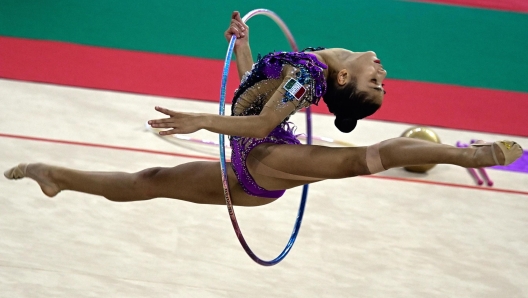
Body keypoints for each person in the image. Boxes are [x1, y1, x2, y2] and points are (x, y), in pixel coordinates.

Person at [4, 11, 523, 207]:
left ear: (343, 78)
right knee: (151, 179)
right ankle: (55, 175)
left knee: (362, 157)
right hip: (253, 151)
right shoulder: (310, 63)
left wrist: (203, 119)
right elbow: (253, 91)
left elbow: (260, 120)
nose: (383, 75)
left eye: (375, 84)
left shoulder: (309, 78)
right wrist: (246, 46)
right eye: (381, 83)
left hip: (263, 165)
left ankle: (469, 155)